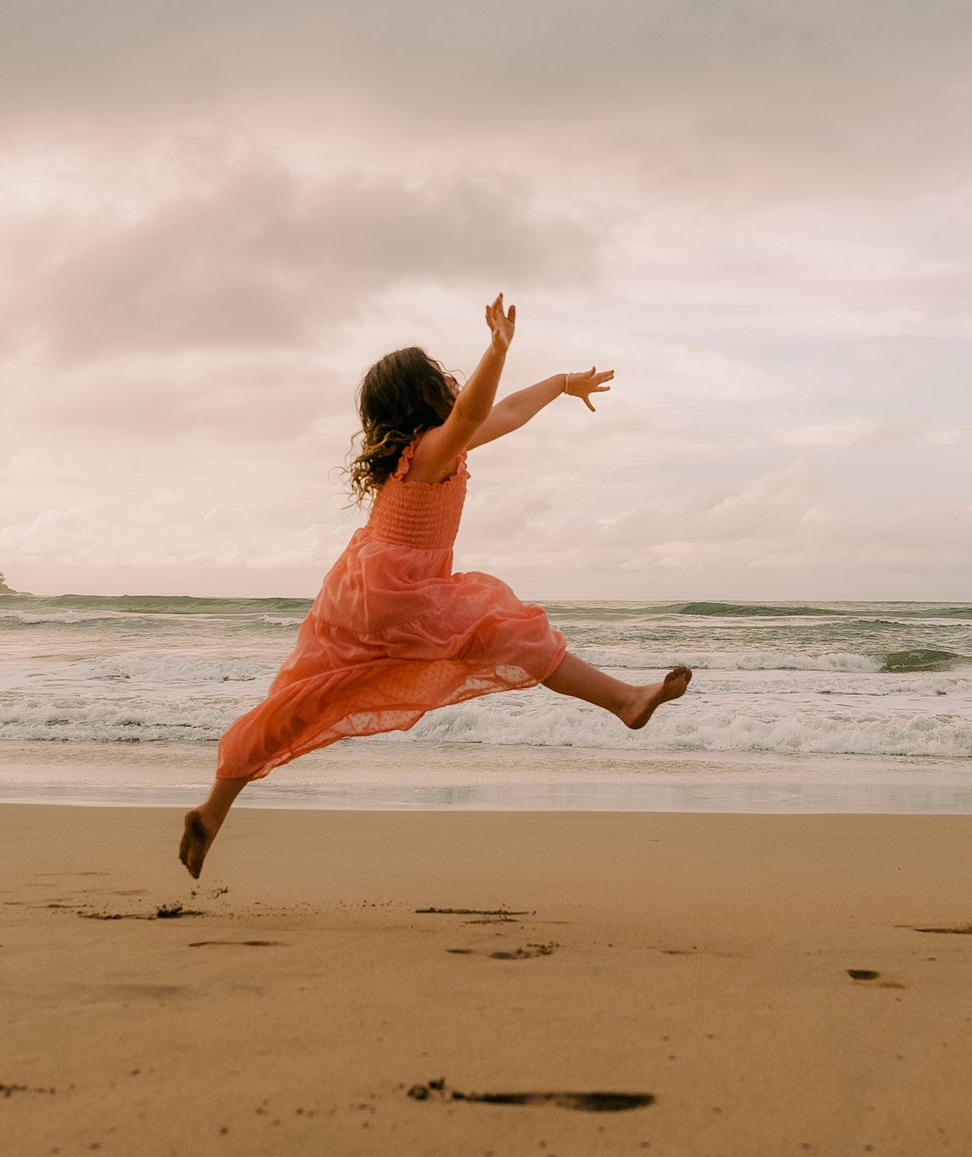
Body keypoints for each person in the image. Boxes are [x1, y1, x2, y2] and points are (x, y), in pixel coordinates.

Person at [179, 294, 691, 877]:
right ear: (420, 397)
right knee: (513, 631)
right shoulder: (432, 449)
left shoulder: (422, 451)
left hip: (359, 591)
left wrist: (562, 382)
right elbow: (475, 411)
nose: (451, 378)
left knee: (301, 696)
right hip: (400, 593)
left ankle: (212, 810)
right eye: (438, 375)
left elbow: (508, 412)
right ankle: (625, 700)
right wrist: (497, 349)